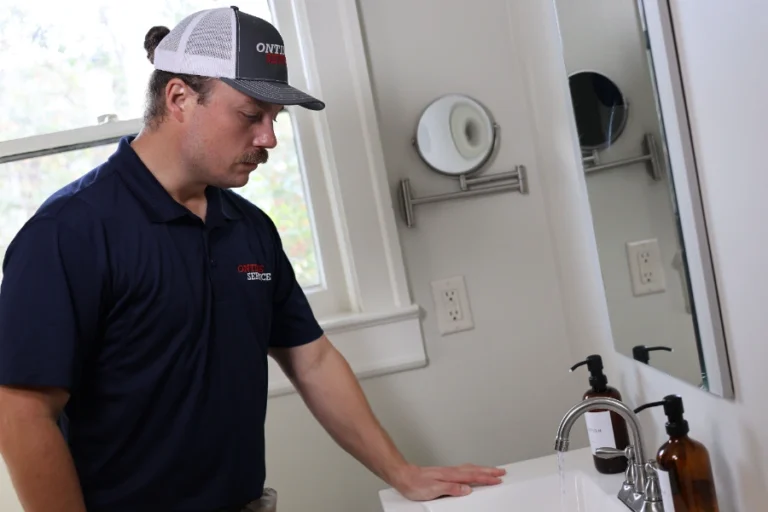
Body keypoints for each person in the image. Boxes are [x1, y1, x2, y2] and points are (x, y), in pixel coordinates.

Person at [0, 6, 505, 512]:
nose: (268, 138)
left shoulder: (249, 228)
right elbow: (21, 412)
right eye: (250, 115)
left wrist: (403, 473)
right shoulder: (69, 233)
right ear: (179, 98)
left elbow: (312, 359)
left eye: (274, 119)